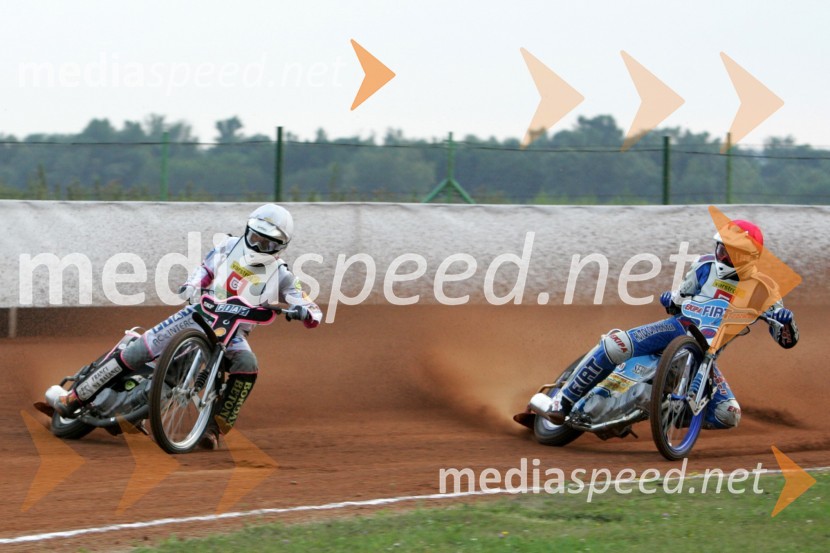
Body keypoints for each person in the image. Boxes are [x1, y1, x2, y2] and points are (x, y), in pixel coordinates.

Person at [49, 204, 323, 448]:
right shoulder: (229, 245)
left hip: (232, 333)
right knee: (138, 351)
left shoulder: (282, 274)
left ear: (280, 247)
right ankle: (75, 398)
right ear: (247, 230)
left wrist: (306, 312)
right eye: (255, 238)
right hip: (197, 314)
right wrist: (192, 284)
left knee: (247, 364)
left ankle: (214, 430)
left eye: (268, 244)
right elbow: (205, 269)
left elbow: (309, 305)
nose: (258, 247)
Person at [547, 219, 799, 429]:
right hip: (676, 329)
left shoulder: (765, 288)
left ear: (749, 257)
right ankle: (563, 400)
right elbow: (678, 300)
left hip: (706, 354)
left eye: (731, 253)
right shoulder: (704, 266)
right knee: (616, 344)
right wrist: (671, 299)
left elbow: (786, 340)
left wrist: (786, 323)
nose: (722, 256)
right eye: (721, 249)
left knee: (727, 415)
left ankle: (666, 412)